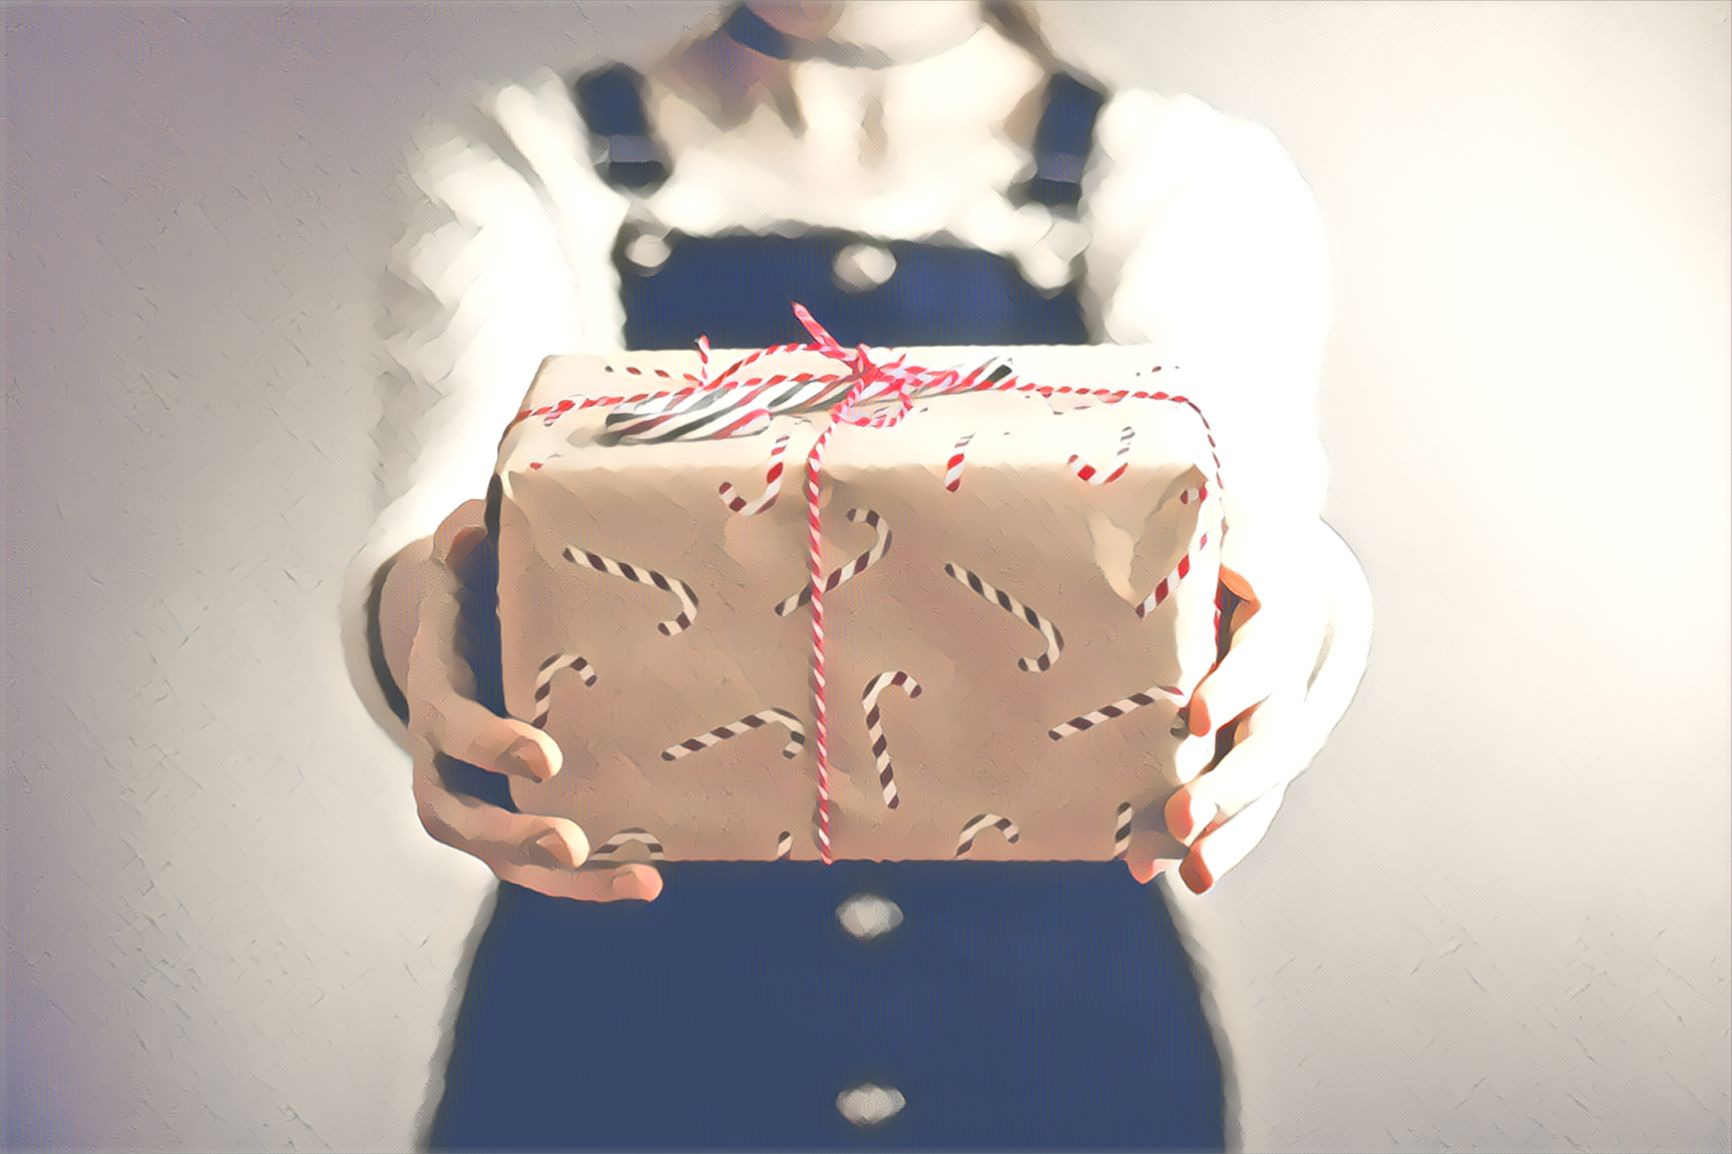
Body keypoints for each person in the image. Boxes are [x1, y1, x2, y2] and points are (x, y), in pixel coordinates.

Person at [339, 1, 1374, 1148]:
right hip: (615, 1063)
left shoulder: (1180, 172)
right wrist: (418, 633)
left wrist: (1294, 616)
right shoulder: (528, 155)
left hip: (1060, 1067)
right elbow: (450, 509)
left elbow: (1249, 499)